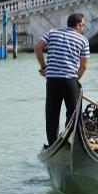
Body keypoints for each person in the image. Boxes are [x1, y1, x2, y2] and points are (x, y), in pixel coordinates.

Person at [34, 13, 90, 147]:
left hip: (52, 80)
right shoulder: (83, 40)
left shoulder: (52, 33)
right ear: (78, 25)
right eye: (83, 25)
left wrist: (44, 67)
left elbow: (37, 47)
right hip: (70, 80)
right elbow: (84, 65)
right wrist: (75, 79)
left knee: (52, 113)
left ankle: (53, 144)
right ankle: (69, 141)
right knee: (73, 114)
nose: (83, 28)